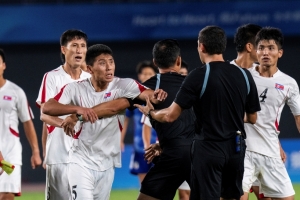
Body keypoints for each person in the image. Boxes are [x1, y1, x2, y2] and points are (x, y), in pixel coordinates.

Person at [135, 26, 261, 200]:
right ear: (223, 46)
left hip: (209, 149)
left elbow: (171, 115)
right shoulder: (245, 75)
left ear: (201, 47)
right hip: (236, 149)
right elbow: (253, 118)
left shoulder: (199, 75)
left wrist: (151, 113)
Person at [42, 44, 167, 200]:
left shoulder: (123, 85)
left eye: (111, 62)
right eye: (102, 63)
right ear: (89, 68)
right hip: (80, 162)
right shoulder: (74, 89)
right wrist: (78, 110)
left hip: (107, 165)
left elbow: (149, 95)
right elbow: (47, 107)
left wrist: (158, 95)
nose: (109, 67)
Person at [240, 27, 299, 200]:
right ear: (255, 51)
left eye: (271, 48)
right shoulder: (244, 76)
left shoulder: (289, 83)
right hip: (244, 151)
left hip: (271, 152)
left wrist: (278, 144)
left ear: (280, 53)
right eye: (261, 48)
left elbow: (298, 117)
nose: (265, 52)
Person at [134, 39, 195, 200]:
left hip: (173, 154)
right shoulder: (195, 84)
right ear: (179, 60)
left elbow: (116, 105)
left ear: (155, 63)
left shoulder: (148, 88)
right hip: (199, 154)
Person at [36, 29, 91, 200]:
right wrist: (64, 123)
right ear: (63, 49)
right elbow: (43, 115)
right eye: (74, 45)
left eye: (82, 46)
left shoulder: (91, 79)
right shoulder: (52, 77)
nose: (79, 50)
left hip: (86, 156)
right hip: (59, 154)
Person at [231, 23, 274, 200]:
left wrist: (274, 144)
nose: (264, 52)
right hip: (235, 149)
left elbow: (264, 116)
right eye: (260, 46)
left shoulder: (261, 75)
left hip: (262, 149)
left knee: (267, 197)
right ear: (250, 47)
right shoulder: (227, 74)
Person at [0, 48, 42, 200]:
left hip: (10, 155)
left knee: (7, 195)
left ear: (4, 65)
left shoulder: (16, 92)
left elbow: (27, 122)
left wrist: (36, 152)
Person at [121, 60, 158, 183]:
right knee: (143, 184)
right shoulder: (133, 97)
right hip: (139, 146)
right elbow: (126, 120)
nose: (147, 76)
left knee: (158, 184)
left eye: (150, 73)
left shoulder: (159, 96)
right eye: (144, 73)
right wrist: (120, 139)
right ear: (139, 76)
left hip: (158, 146)